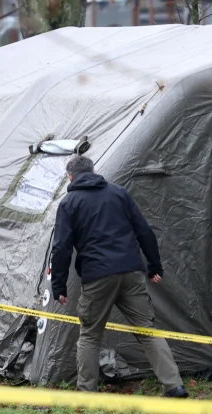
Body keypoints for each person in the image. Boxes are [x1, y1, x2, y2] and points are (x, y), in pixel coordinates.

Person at [50, 155, 188, 398]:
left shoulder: (69, 203)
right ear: (94, 171)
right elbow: (144, 231)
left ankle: (87, 394)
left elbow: (61, 248)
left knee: (90, 336)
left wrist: (59, 285)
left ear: (70, 177)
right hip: (131, 272)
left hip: (97, 277)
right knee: (148, 331)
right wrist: (154, 266)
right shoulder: (119, 193)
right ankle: (174, 385)